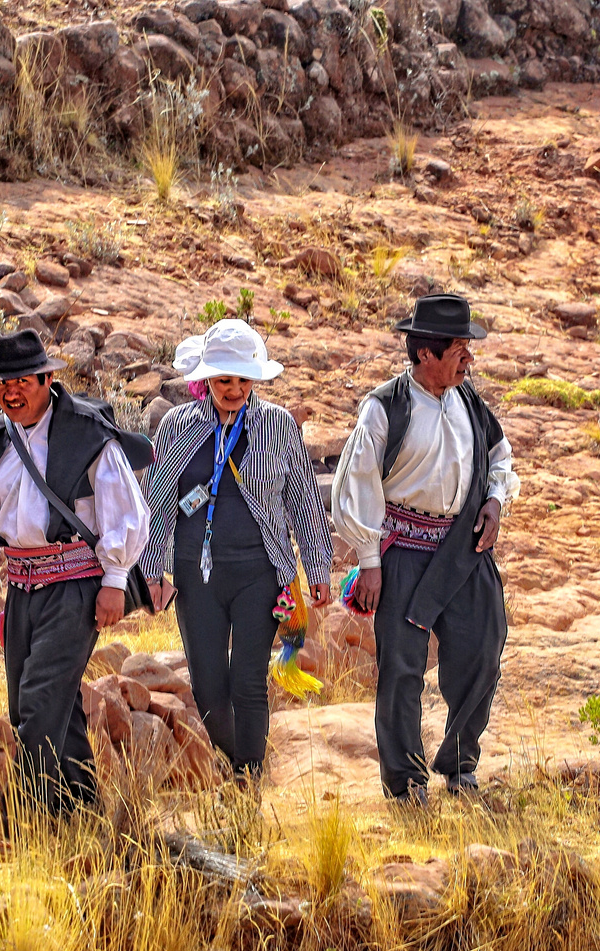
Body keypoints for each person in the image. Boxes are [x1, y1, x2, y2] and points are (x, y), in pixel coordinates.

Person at [0, 329, 153, 813]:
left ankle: (35, 822)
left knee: (39, 705)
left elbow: (127, 513)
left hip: (75, 590)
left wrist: (115, 583)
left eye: (21, 380)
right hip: (21, 590)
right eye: (1, 383)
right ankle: (80, 812)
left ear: (46, 378)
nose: (10, 392)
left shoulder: (86, 435)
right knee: (37, 705)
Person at [330, 294, 521, 804]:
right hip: (402, 555)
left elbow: (500, 459)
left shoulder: (472, 404)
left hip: (464, 549)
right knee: (402, 669)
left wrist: (495, 503)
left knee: (483, 648)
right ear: (424, 355)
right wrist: (369, 563)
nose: (470, 359)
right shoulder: (383, 408)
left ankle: (460, 763)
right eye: (460, 348)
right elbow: (356, 486)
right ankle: (405, 781)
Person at [140, 320, 335, 779]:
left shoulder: (279, 425)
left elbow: (302, 498)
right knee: (209, 689)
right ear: (206, 379)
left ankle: (249, 781)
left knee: (249, 683)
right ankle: (236, 766)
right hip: (195, 575)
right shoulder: (177, 425)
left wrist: (317, 566)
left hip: (260, 572)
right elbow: (158, 501)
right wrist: (151, 570)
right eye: (224, 380)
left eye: (243, 380)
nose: (234, 389)